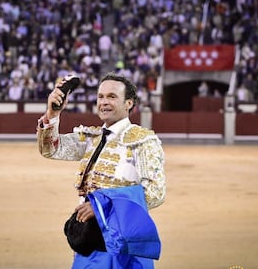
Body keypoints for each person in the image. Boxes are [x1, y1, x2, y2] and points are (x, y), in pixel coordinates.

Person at [36, 72, 166, 268]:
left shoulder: (143, 141)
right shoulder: (92, 137)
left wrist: (101, 206)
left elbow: (155, 193)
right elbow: (51, 149)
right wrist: (53, 114)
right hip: (89, 241)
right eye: (101, 96)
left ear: (129, 103)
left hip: (123, 244)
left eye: (112, 97)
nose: (104, 102)